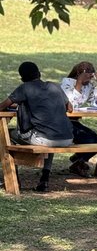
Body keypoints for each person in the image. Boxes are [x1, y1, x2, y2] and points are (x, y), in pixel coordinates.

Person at [0, 62, 74, 192]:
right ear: (39, 74)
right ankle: (44, 180)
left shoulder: (25, 88)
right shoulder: (54, 86)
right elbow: (70, 107)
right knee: (49, 135)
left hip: (43, 139)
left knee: (5, 137)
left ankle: (14, 180)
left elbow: (3, 105)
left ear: (22, 78)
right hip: (67, 138)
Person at [60, 61, 97, 177]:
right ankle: (78, 162)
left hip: (74, 121)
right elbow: (70, 104)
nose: (89, 81)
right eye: (87, 77)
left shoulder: (89, 86)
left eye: (91, 77)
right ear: (78, 74)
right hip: (63, 122)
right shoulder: (67, 83)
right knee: (92, 142)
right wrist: (79, 82)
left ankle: (78, 160)